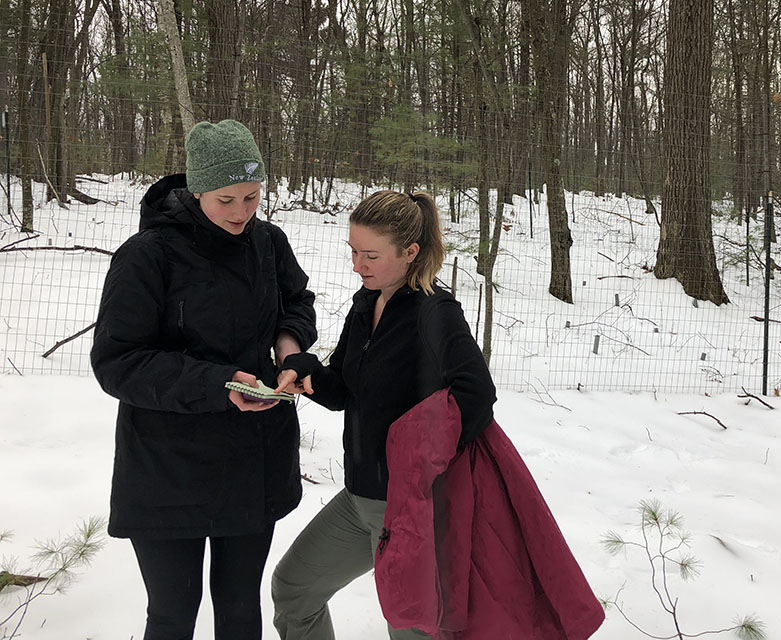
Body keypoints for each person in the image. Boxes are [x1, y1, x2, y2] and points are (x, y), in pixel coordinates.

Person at [90, 119, 317, 640]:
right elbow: (118, 361)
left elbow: (297, 302)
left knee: (240, 607)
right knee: (173, 612)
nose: (241, 213)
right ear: (196, 190)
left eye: (253, 197)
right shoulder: (148, 255)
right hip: (167, 464)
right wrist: (217, 383)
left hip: (251, 456)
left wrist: (288, 346)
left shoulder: (269, 243)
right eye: (226, 200)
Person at [270, 190, 498, 639]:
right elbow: (344, 386)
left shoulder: (435, 314)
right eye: (353, 252)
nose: (358, 265)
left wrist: (415, 458)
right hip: (360, 500)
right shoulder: (365, 304)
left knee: (411, 624)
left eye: (370, 255)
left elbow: (477, 398)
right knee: (295, 589)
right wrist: (306, 371)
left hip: (410, 507)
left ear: (410, 253)